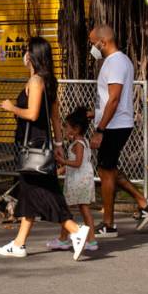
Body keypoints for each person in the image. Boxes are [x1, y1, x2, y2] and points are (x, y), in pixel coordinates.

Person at [0, 36, 89, 260]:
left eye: (27, 51)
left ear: (32, 55)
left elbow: (32, 114)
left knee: (39, 192)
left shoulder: (36, 81)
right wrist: (58, 144)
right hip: (42, 143)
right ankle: (19, 244)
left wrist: (11, 107)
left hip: (34, 145)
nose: (24, 55)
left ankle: (75, 230)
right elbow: (55, 118)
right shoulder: (48, 81)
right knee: (33, 192)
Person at [88, 25, 148, 238]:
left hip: (114, 125)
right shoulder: (119, 60)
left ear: (103, 42)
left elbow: (114, 99)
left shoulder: (116, 62)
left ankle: (108, 224)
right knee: (108, 168)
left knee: (105, 171)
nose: (93, 48)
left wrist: (100, 129)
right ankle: (143, 203)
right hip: (115, 122)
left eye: (93, 44)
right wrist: (94, 114)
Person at [49, 107, 99, 253]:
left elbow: (77, 163)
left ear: (76, 129)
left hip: (78, 181)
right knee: (82, 209)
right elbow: (78, 163)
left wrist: (62, 161)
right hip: (81, 179)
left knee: (68, 210)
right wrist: (61, 169)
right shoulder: (81, 141)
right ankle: (88, 240)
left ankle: (66, 239)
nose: (65, 129)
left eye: (67, 127)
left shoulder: (78, 144)